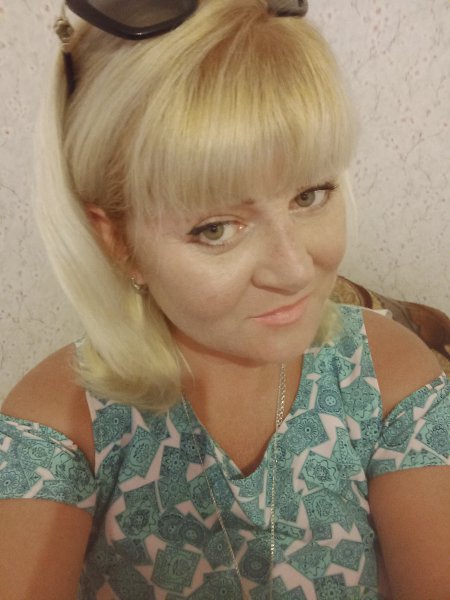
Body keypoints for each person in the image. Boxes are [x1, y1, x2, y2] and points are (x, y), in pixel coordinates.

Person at [0, 0, 449, 598]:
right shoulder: (60, 425)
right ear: (119, 243)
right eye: (216, 228)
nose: (295, 270)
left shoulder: (387, 377)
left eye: (310, 195)